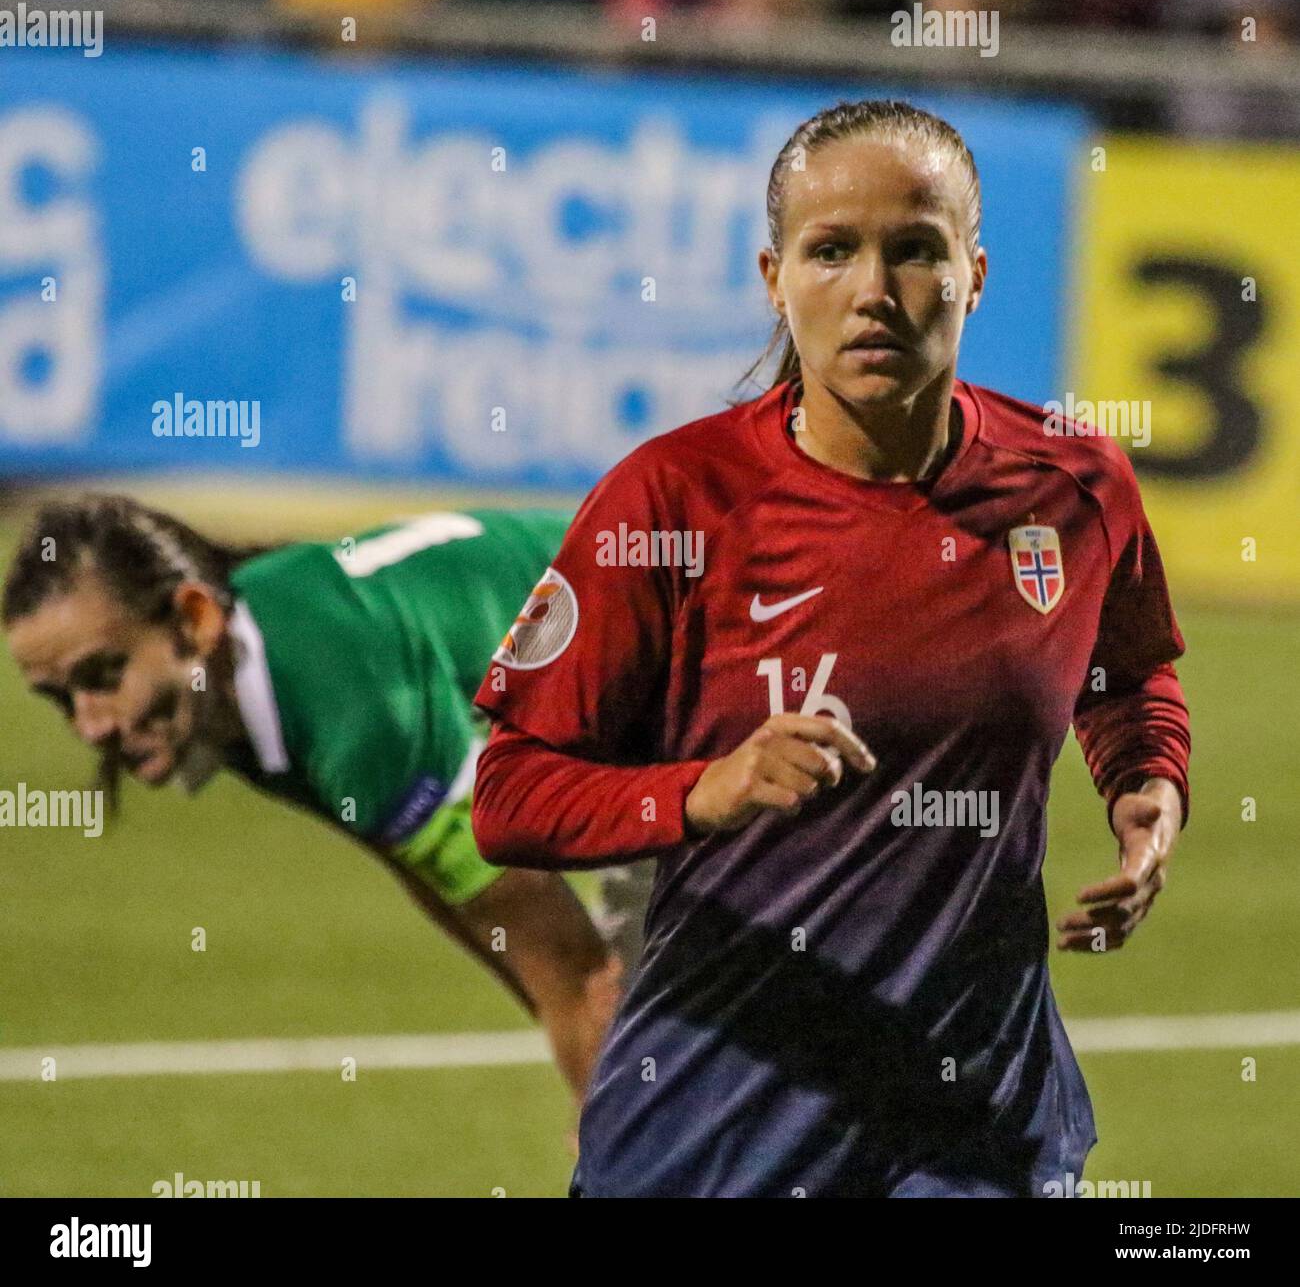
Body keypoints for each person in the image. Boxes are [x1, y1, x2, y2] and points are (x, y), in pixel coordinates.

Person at [470, 99, 1191, 1197]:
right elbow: (511, 797)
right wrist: (703, 790)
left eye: (914, 249)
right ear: (773, 276)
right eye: (830, 250)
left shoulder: (1075, 484)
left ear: (976, 272)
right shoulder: (673, 500)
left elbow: (1126, 671)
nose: (872, 290)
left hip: (978, 1124)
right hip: (717, 1116)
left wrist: (1147, 785)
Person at [2, 496, 620, 1101]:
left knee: (658, 1066)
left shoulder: (342, 704)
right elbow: (448, 888)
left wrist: (607, 1132)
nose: (91, 726)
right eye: (61, 699)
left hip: (694, 668)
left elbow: (574, 970)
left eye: (103, 676)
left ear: (193, 621)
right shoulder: (233, 673)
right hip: (635, 724)